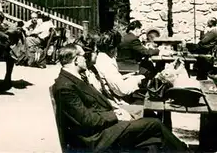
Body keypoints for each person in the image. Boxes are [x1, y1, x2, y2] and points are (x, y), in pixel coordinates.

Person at [52, 44, 189, 152]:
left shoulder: (73, 79)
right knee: (154, 125)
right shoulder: (65, 87)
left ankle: (181, 149)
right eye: (84, 55)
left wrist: (118, 110)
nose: (86, 58)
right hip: (96, 139)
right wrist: (116, 116)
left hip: (102, 129)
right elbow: (86, 120)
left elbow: (95, 105)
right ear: (76, 60)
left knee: (153, 141)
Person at [95, 31, 145, 104]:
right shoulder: (107, 63)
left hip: (112, 97)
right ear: (112, 49)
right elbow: (122, 90)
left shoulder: (102, 57)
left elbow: (113, 80)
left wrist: (126, 76)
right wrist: (137, 80)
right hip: (114, 101)